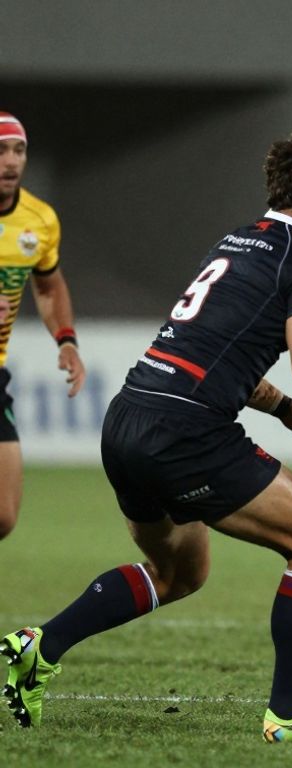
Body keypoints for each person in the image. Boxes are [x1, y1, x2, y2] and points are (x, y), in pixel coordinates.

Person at [2, 130, 292, 742]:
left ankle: (42, 644)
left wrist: (281, 410)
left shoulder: (235, 243)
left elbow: (211, 352)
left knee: (179, 574)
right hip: (186, 435)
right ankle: (291, 712)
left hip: (127, 421)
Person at [0, 111, 86, 541]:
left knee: (3, 515)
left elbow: (49, 287)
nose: (11, 161)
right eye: (0, 151)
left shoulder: (40, 220)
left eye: (18, 150)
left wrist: (66, 340)